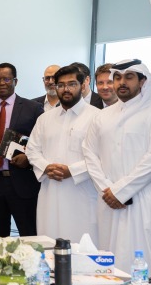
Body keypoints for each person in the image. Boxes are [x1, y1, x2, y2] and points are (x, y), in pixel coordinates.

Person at [81, 59, 151, 276]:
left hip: (143, 199)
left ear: (143, 81)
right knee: (108, 255)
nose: (122, 82)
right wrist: (107, 189)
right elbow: (89, 153)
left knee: (143, 257)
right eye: (118, 77)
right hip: (108, 199)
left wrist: (121, 191)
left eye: (129, 77)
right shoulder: (102, 116)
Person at [25, 63, 100, 244]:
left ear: (83, 86)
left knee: (81, 245)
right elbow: (32, 149)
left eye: (72, 84)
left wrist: (72, 170)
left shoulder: (97, 117)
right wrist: (46, 167)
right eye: (61, 85)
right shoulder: (44, 118)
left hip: (81, 192)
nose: (66, 89)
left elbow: (101, 155)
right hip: (50, 192)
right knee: (49, 242)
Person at [0, 63, 43, 237]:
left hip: (22, 182)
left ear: (15, 81)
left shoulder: (32, 108)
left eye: (6, 79)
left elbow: (42, 143)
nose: (1, 83)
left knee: (29, 235)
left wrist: (28, 157)